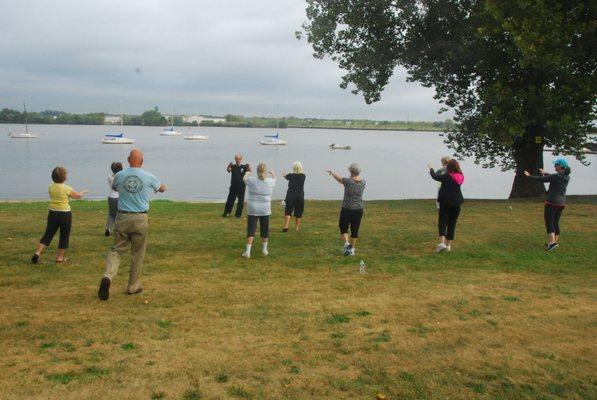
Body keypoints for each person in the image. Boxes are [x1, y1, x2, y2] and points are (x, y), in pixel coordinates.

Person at [98, 149, 166, 301]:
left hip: (122, 217)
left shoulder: (120, 175)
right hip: (140, 218)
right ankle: (133, 287)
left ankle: (107, 277)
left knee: (116, 250)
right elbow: (161, 188)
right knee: (137, 253)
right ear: (142, 161)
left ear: (128, 160)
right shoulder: (148, 176)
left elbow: (115, 187)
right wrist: (160, 188)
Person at [31, 167, 89, 264]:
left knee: (48, 233)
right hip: (65, 214)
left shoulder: (50, 187)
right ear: (65, 177)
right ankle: (60, 258)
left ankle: (37, 252)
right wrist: (84, 191)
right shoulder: (67, 188)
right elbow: (77, 196)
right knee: (64, 235)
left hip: (52, 213)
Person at [524, 158, 571, 251]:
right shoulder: (566, 177)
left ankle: (552, 243)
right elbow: (552, 177)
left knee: (549, 222)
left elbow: (543, 179)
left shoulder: (557, 176)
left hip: (552, 202)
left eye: (556, 165)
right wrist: (545, 172)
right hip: (561, 203)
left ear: (560, 166)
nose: (554, 166)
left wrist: (529, 176)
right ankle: (554, 241)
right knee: (555, 222)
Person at [327, 163, 366, 256]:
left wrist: (332, 173)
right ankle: (351, 249)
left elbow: (339, 178)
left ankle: (346, 244)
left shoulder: (348, 182)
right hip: (358, 209)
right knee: (355, 229)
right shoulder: (363, 182)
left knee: (343, 227)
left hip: (347, 209)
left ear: (350, 171)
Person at [428, 159, 464, 253]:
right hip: (457, 202)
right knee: (452, 222)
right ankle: (448, 246)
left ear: (449, 167)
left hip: (446, 202)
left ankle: (442, 244)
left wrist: (431, 169)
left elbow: (435, 176)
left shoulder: (447, 176)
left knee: (443, 221)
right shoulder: (461, 176)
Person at [242, 163, 276, 258]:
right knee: (265, 228)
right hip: (265, 208)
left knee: (251, 229)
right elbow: (274, 181)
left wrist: (247, 173)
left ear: (257, 171)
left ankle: (248, 252)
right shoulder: (270, 181)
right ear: (265, 171)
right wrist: (273, 174)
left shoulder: (252, 180)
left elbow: (244, 180)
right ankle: (264, 250)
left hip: (253, 207)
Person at [282, 161, 306, 232]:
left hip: (290, 196)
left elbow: (286, 177)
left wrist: (283, 174)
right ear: (301, 168)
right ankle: (297, 228)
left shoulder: (290, 175)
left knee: (288, 211)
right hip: (299, 196)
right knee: (298, 212)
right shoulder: (303, 176)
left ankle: (286, 226)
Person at [105, 161, 123, 237]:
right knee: (120, 215)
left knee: (111, 214)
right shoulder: (121, 178)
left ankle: (108, 228)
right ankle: (119, 230)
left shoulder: (109, 177)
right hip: (119, 197)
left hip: (111, 197)